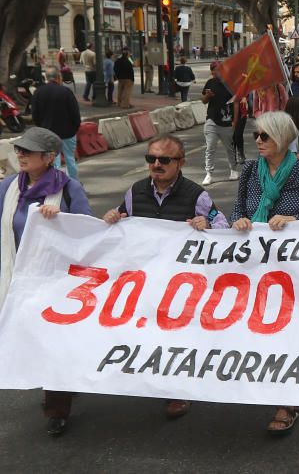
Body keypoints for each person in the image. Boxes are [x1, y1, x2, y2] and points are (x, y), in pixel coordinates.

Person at [101, 134, 229, 423]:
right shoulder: (135, 191)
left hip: (181, 282)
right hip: (145, 278)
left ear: (180, 162)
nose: (156, 164)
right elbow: (123, 218)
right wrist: (113, 217)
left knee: (177, 335)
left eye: (164, 160)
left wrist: (207, 224)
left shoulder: (196, 195)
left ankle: (177, 391)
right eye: (151, 159)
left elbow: (223, 225)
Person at [230, 111, 299, 435]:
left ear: (283, 138)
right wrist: (240, 221)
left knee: (287, 331)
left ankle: (287, 401)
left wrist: (294, 219)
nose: (258, 142)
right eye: (256, 136)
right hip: (254, 266)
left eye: (265, 136)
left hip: (292, 268)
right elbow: (238, 209)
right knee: (256, 328)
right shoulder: (249, 170)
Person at [0, 128, 92, 436]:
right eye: (19, 150)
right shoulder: (8, 187)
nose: (21, 155)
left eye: (29, 151)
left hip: (57, 283)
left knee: (54, 342)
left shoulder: (69, 189)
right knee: (29, 340)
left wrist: (62, 223)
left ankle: (57, 409)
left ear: (49, 157)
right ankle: (64, 380)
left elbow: (87, 235)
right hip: (19, 280)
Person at [31, 67, 82, 180]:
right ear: (59, 77)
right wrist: (75, 127)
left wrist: (42, 128)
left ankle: (57, 185)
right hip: (68, 132)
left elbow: (35, 114)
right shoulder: (66, 92)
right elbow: (75, 113)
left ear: (46, 78)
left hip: (48, 133)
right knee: (70, 159)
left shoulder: (38, 92)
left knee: (54, 161)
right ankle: (74, 184)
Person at [200, 61, 238, 186]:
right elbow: (204, 101)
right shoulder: (210, 83)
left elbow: (236, 102)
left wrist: (235, 121)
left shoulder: (230, 84)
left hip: (226, 121)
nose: (214, 72)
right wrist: (208, 96)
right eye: (212, 70)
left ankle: (233, 170)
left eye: (216, 69)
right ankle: (209, 173)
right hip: (211, 119)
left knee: (229, 148)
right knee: (210, 147)